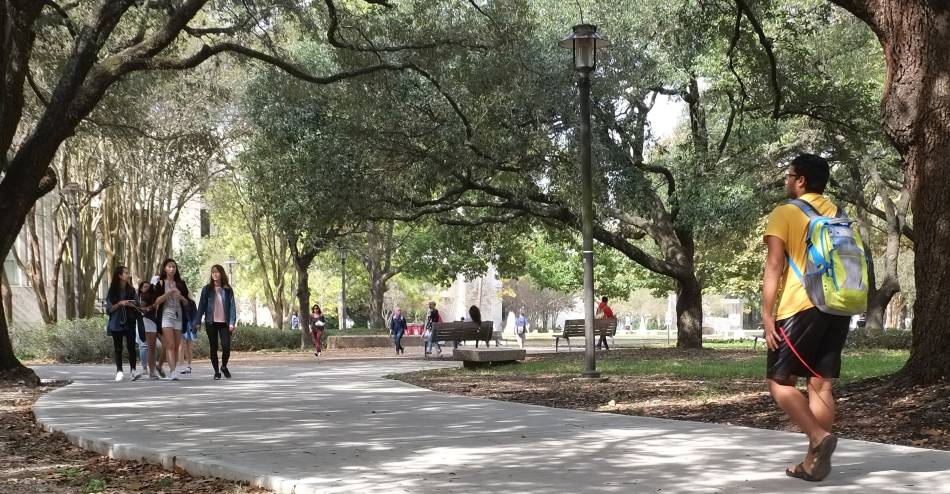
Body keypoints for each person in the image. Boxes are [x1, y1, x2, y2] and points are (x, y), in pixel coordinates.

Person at [763, 154, 847, 482]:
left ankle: (819, 437)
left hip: (800, 306)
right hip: (837, 306)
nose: (786, 181)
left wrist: (767, 314)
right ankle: (812, 465)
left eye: (789, 175)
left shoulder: (785, 212)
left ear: (801, 181)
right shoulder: (839, 213)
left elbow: (774, 265)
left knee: (779, 382)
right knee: (820, 384)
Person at [196, 265, 237, 380]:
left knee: (226, 347)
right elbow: (201, 306)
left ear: (222, 274)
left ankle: (224, 367)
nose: (215, 274)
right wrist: (198, 321)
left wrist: (232, 322)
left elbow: (232, 307)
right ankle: (216, 371)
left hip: (224, 323)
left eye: (217, 272)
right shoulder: (207, 289)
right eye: (213, 272)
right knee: (213, 347)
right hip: (211, 322)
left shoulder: (227, 290)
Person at [152, 258, 189, 381]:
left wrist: (181, 297)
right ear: (165, 268)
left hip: (178, 315)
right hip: (166, 316)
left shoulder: (181, 283)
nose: (172, 269)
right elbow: (156, 301)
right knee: (170, 344)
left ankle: (170, 368)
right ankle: (173, 371)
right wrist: (168, 293)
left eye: (174, 267)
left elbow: (186, 302)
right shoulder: (161, 283)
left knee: (177, 343)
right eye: (169, 267)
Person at [106, 266, 141, 381]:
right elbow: (109, 309)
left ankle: (133, 370)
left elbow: (138, 304)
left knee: (131, 346)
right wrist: (120, 303)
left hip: (130, 320)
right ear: (120, 276)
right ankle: (119, 371)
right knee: (118, 347)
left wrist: (132, 304)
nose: (128, 275)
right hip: (116, 322)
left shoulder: (131, 290)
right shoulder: (112, 291)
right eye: (126, 273)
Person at [136, 280, 162, 379]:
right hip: (148, 321)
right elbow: (142, 310)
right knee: (148, 347)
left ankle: (159, 367)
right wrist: (152, 306)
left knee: (168, 345)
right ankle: (150, 371)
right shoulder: (146, 295)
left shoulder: (162, 294)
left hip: (159, 321)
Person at [178, 292, 199, 374]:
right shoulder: (177, 301)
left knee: (188, 347)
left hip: (189, 325)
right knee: (180, 347)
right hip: (179, 324)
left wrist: (194, 326)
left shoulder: (191, 302)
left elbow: (195, 315)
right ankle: (182, 367)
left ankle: (189, 366)